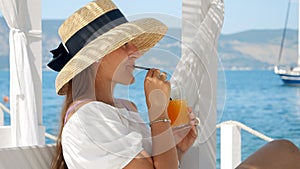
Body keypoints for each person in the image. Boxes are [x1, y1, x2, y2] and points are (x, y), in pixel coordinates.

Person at [48, 0, 199, 169]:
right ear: (97, 57)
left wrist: (177, 148)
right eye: (125, 44)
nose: (136, 52)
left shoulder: (127, 108)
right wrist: (158, 111)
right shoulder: (88, 117)